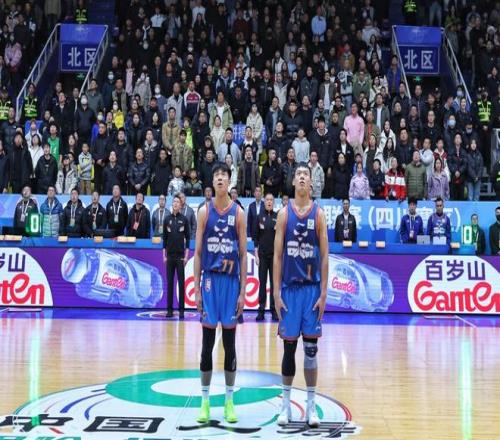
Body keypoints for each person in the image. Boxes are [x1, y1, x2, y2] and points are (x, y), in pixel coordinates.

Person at [272, 162, 328, 427]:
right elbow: (277, 256)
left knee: (311, 351)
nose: (303, 178)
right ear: (293, 182)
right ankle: (286, 407)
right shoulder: (284, 214)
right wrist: (275, 292)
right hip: (290, 291)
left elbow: (325, 256)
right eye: (299, 175)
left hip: (311, 290)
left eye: (306, 174)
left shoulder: (319, 214)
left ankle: (311, 406)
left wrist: (324, 293)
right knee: (289, 350)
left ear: (312, 182)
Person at [194, 162, 247, 424]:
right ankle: (204, 401)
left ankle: (229, 401)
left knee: (229, 345)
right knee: (206, 346)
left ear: (229, 181)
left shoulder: (239, 213)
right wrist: (196, 289)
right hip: (210, 282)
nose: (219, 179)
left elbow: (243, 254)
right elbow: (197, 253)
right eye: (215, 175)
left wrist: (243, 291)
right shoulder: (204, 212)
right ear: (212, 181)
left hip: (230, 284)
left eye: (223, 175)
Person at [163, 195, 190, 318]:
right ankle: (169, 310)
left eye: (177, 202)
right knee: (169, 283)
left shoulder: (184, 219)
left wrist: (186, 256)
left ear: (180, 205)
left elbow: (188, 239)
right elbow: (164, 239)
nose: (175, 203)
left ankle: (181, 310)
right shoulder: (167, 219)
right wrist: (164, 256)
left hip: (180, 257)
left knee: (181, 284)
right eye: (174, 201)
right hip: (169, 257)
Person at [254, 192, 277, 322]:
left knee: (274, 284)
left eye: (271, 200)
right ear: (264, 202)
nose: (269, 202)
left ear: (273, 202)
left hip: (274, 257)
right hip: (262, 256)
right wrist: (256, 255)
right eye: (267, 200)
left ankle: (274, 310)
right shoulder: (259, 217)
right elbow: (255, 238)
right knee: (262, 283)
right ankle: (261, 311)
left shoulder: (278, 217)